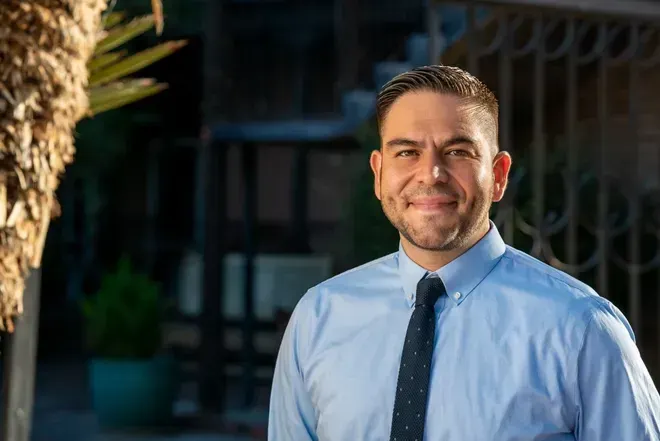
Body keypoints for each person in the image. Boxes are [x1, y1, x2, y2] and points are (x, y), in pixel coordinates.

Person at [267, 65, 660, 440]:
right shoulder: (318, 319)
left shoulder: (581, 328)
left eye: (457, 151)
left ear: (500, 175)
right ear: (379, 172)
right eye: (407, 152)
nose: (431, 173)